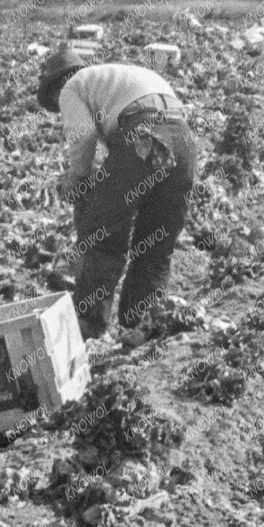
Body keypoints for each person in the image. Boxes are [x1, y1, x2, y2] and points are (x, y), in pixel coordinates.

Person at [36, 45, 200, 340]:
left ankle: (89, 326)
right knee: (157, 239)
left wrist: (77, 177)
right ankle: (139, 325)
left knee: (103, 233)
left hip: (144, 135)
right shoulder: (118, 76)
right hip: (183, 141)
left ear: (56, 85)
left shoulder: (72, 86)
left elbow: (83, 134)